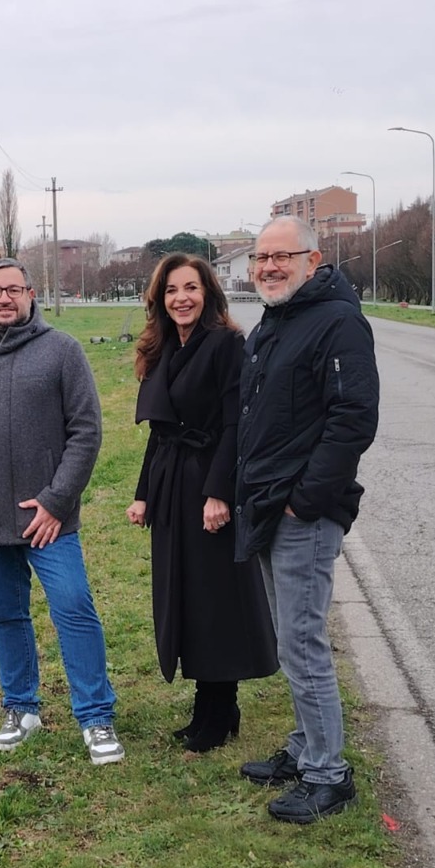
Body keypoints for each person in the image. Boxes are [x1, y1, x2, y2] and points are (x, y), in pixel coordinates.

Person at [0, 257, 124, 765]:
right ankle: (22, 708)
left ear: (31, 294)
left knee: (74, 609)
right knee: (7, 617)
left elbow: (87, 432)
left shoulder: (62, 351)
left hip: (49, 521)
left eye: (14, 290)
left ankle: (96, 716)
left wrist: (57, 501)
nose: (4, 299)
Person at [236, 216, 379, 823]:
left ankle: (329, 774)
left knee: (301, 640)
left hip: (301, 509)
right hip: (270, 502)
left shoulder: (339, 321)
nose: (268, 266)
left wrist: (305, 500)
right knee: (288, 636)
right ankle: (304, 747)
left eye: (281, 257)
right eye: (261, 257)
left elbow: (354, 419)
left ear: (312, 260)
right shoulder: (281, 317)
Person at [126, 254, 277, 751]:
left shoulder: (228, 345)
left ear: (208, 293)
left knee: (216, 600)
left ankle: (222, 706)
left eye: (190, 288)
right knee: (185, 595)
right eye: (171, 290)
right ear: (160, 299)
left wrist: (219, 492)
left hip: (211, 484)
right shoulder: (165, 345)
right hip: (172, 485)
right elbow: (162, 431)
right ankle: (205, 706)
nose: (181, 298)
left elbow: (237, 423)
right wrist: (143, 495)